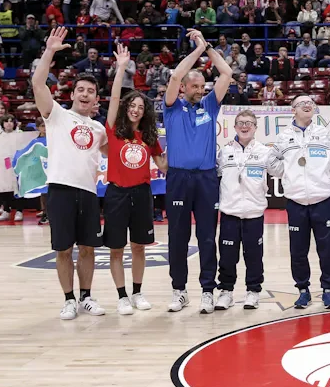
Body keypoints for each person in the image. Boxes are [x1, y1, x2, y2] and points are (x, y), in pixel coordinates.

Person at [33, 27, 108, 320]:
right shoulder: (56, 115)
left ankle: (86, 297)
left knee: (88, 248)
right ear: (73, 93)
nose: (85, 94)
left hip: (88, 193)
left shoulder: (99, 129)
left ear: (95, 98)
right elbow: (38, 83)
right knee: (63, 249)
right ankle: (68, 299)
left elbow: (113, 155)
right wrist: (50, 50)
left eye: (91, 91)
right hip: (61, 190)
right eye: (81, 90)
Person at [163, 30, 234, 314]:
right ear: (184, 88)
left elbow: (226, 73)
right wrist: (196, 51)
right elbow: (174, 77)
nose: (200, 90)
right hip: (179, 178)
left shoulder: (210, 106)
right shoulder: (171, 108)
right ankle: (179, 291)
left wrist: (208, 49)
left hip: (206, 178)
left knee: (207, 236)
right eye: (195, 86)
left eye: (203, 86)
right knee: (177, 237)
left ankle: (208, 289)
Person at [103, 43, 166, 315]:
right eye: (133, 105)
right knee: (116, 248)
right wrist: (120, 69)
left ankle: (138, 293)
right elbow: (115, 97)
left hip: (141, 194)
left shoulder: (149, 137)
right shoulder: (113, 130)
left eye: (141, 106)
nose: (136, 109)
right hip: (116, 193)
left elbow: (163, 164)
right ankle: (121, 296)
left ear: (145, 111)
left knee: (139, 246)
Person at [272, 95, 330, 309]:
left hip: (324, 200)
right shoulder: (283, 138)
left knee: (326, 249)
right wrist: (289, 173)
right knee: (298, 250)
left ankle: (328, 289)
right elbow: (272, 162)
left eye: (311, 102)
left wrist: (327, 174)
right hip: (296, 202)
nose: (308, 105)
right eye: (302, 103)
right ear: (293, 110)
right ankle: (303, 290)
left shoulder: (325, 135)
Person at [216, 109, 284, 312]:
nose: (244, 126)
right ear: (235, 127)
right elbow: (217, 175)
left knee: (254, 255)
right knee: (227, 256)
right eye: (240, 123)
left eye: (249, 123)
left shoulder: (265, 152)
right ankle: (226, 292)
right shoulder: (224, 152)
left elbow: (280, 170)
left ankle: (253, 291)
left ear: (255, 128)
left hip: (254, 214)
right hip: (229, 213)